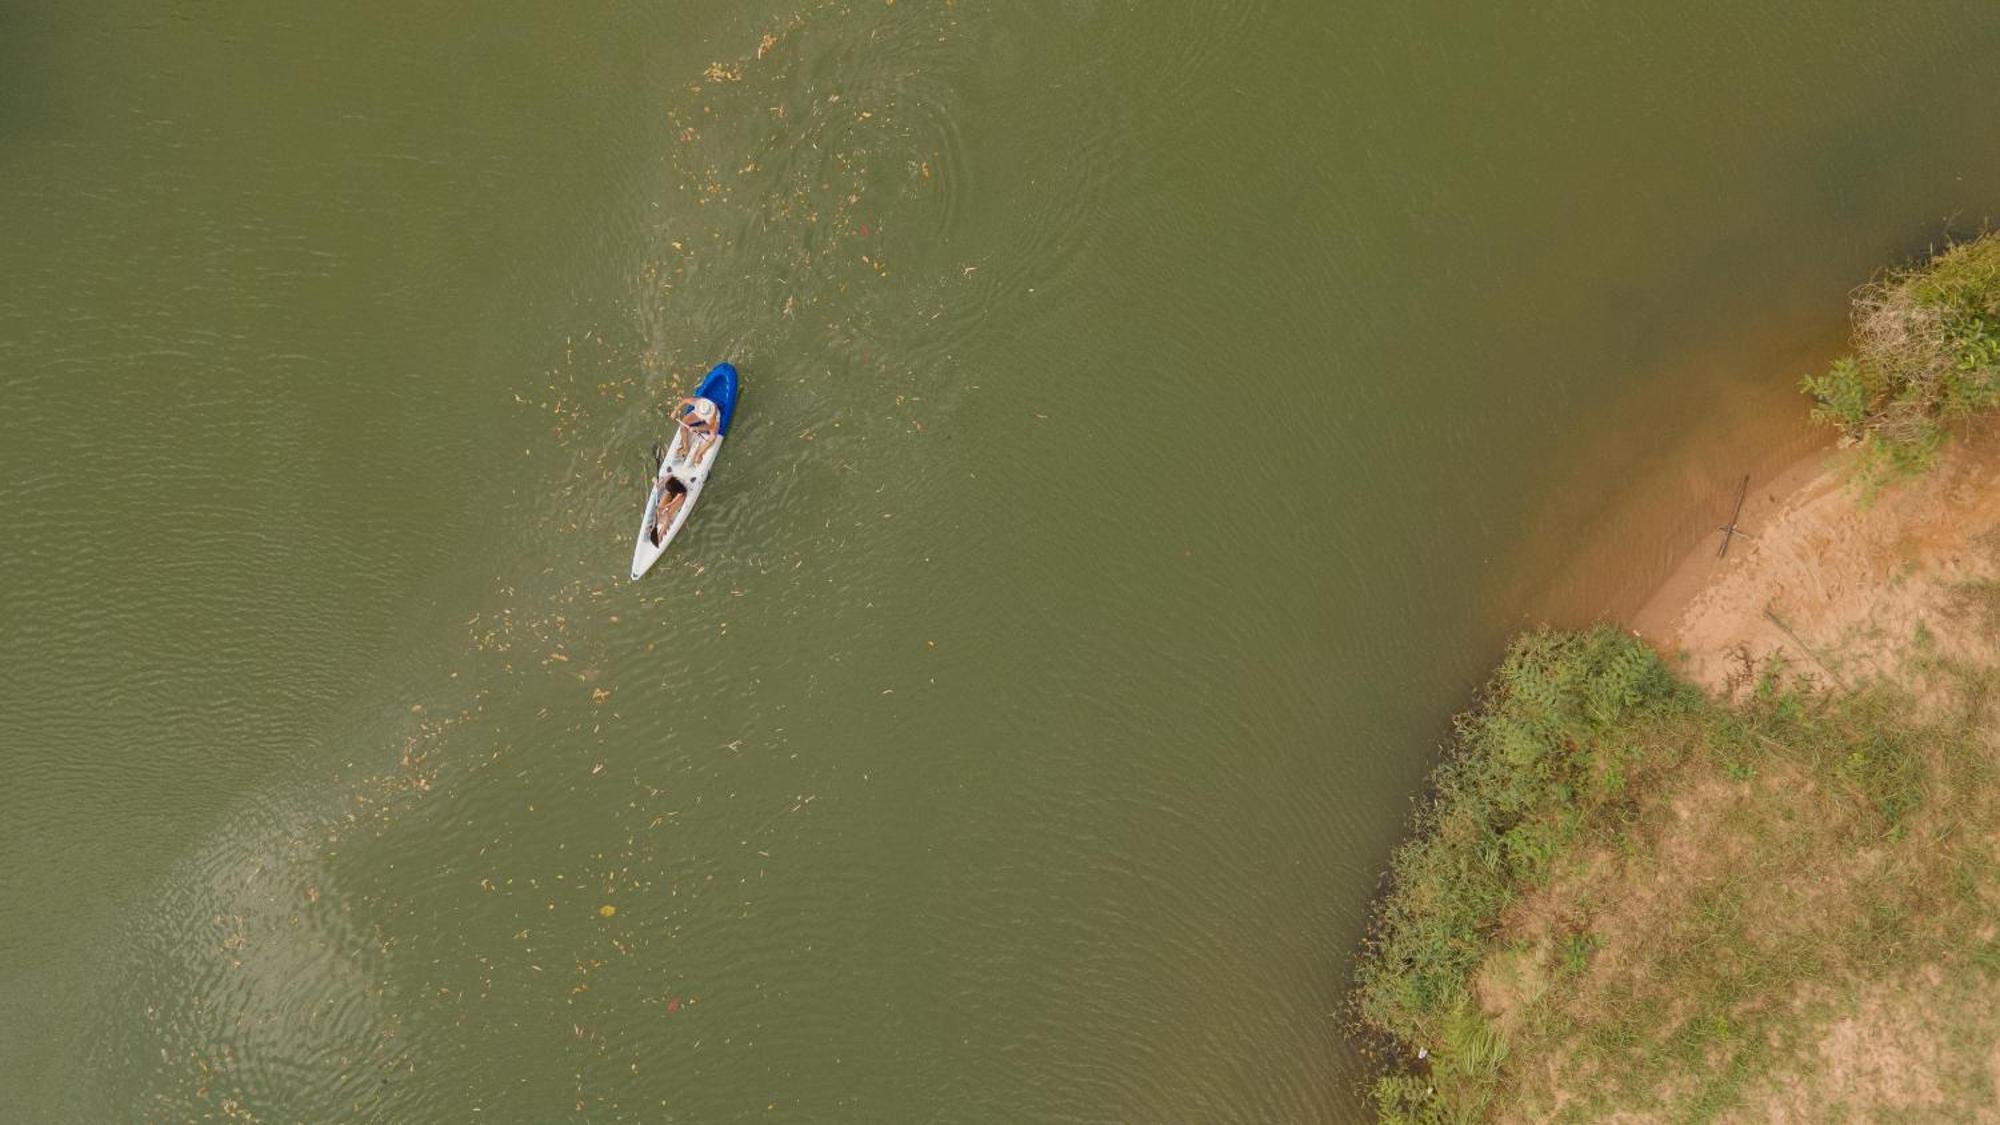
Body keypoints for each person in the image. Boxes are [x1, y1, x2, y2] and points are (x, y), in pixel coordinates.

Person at [669, 396, 720, 464]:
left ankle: (699, 454)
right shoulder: (698, 402)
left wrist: (697, 428)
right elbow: (685, 400)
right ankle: (685, 448)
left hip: (710, 421)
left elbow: (709, 427)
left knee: (713, 436)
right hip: (698, 413)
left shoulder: (712, 415)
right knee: (683, 423)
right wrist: (675, 411)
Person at [650, 477, 689, 545]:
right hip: (672, 492)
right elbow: (655, 479)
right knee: (659, 508)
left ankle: (660, 535)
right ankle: (658, 521)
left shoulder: (681, 492)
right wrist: (657, 483)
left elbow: (671, 504)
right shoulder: (669, 480)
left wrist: (665, 507)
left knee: (668, 514)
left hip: (680, 496)